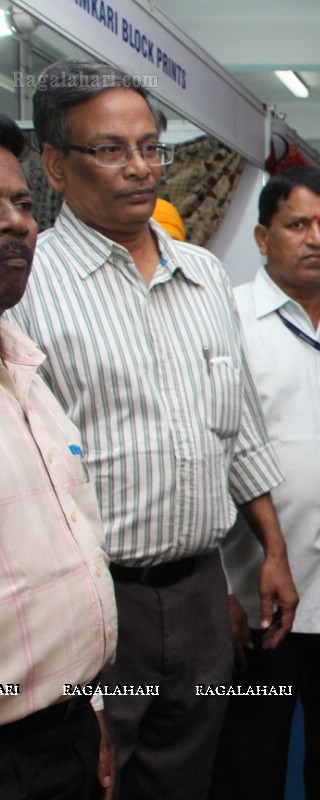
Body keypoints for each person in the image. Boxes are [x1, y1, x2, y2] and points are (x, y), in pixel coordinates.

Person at [9, 60, 298, 799]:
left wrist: (272, 549)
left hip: (202, 594)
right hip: (103, 606)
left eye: (151, 146)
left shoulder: (203, 276)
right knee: (92, 781)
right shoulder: (26, 288)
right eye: (111, 150)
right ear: (55, 165)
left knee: (187, 780)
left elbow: (237, 428)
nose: (140, 168)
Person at [210, 167, 320, 800]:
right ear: (261, 237)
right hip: (261, 599)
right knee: (250, 766)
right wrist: (218, 586)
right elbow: (210, 452)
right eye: (297, 224)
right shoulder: (225, 321)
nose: (316, 238)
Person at [0, 112, 118, 800]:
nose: (17, 223)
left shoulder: (26, 370)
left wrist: (92, 709)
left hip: (65, 727)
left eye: (20, 203)